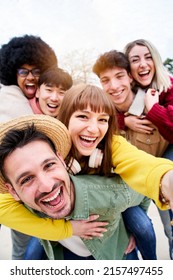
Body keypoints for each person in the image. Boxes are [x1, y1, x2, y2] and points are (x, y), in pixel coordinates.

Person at [1, 115, 173, 260]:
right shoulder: (17, 204)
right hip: (64, 252)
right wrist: (69, 229)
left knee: (143, 228)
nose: (46, 186)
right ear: (13, 192)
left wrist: (165, 180)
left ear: (61, 160)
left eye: (49, 165)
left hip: (111, 254)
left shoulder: (109, 193)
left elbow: (143, 183)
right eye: (27, 179)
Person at [0, 34, 57, 260]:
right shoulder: (9, 99)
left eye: (36, 71)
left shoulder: (44, 101)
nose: (30, 77)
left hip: (34, 189)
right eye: (23, 71)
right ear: (13, 73)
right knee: (22, 248)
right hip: (10, 189)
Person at [124, 39, 173, 259]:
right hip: (141, 164)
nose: (143, 64)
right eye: (135, 59)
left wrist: (153, 109)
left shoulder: (169, 86)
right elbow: (105, 109)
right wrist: (123, 121)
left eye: (147, 57)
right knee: (151, 224)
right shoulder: (127, 91)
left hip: (167, 155)